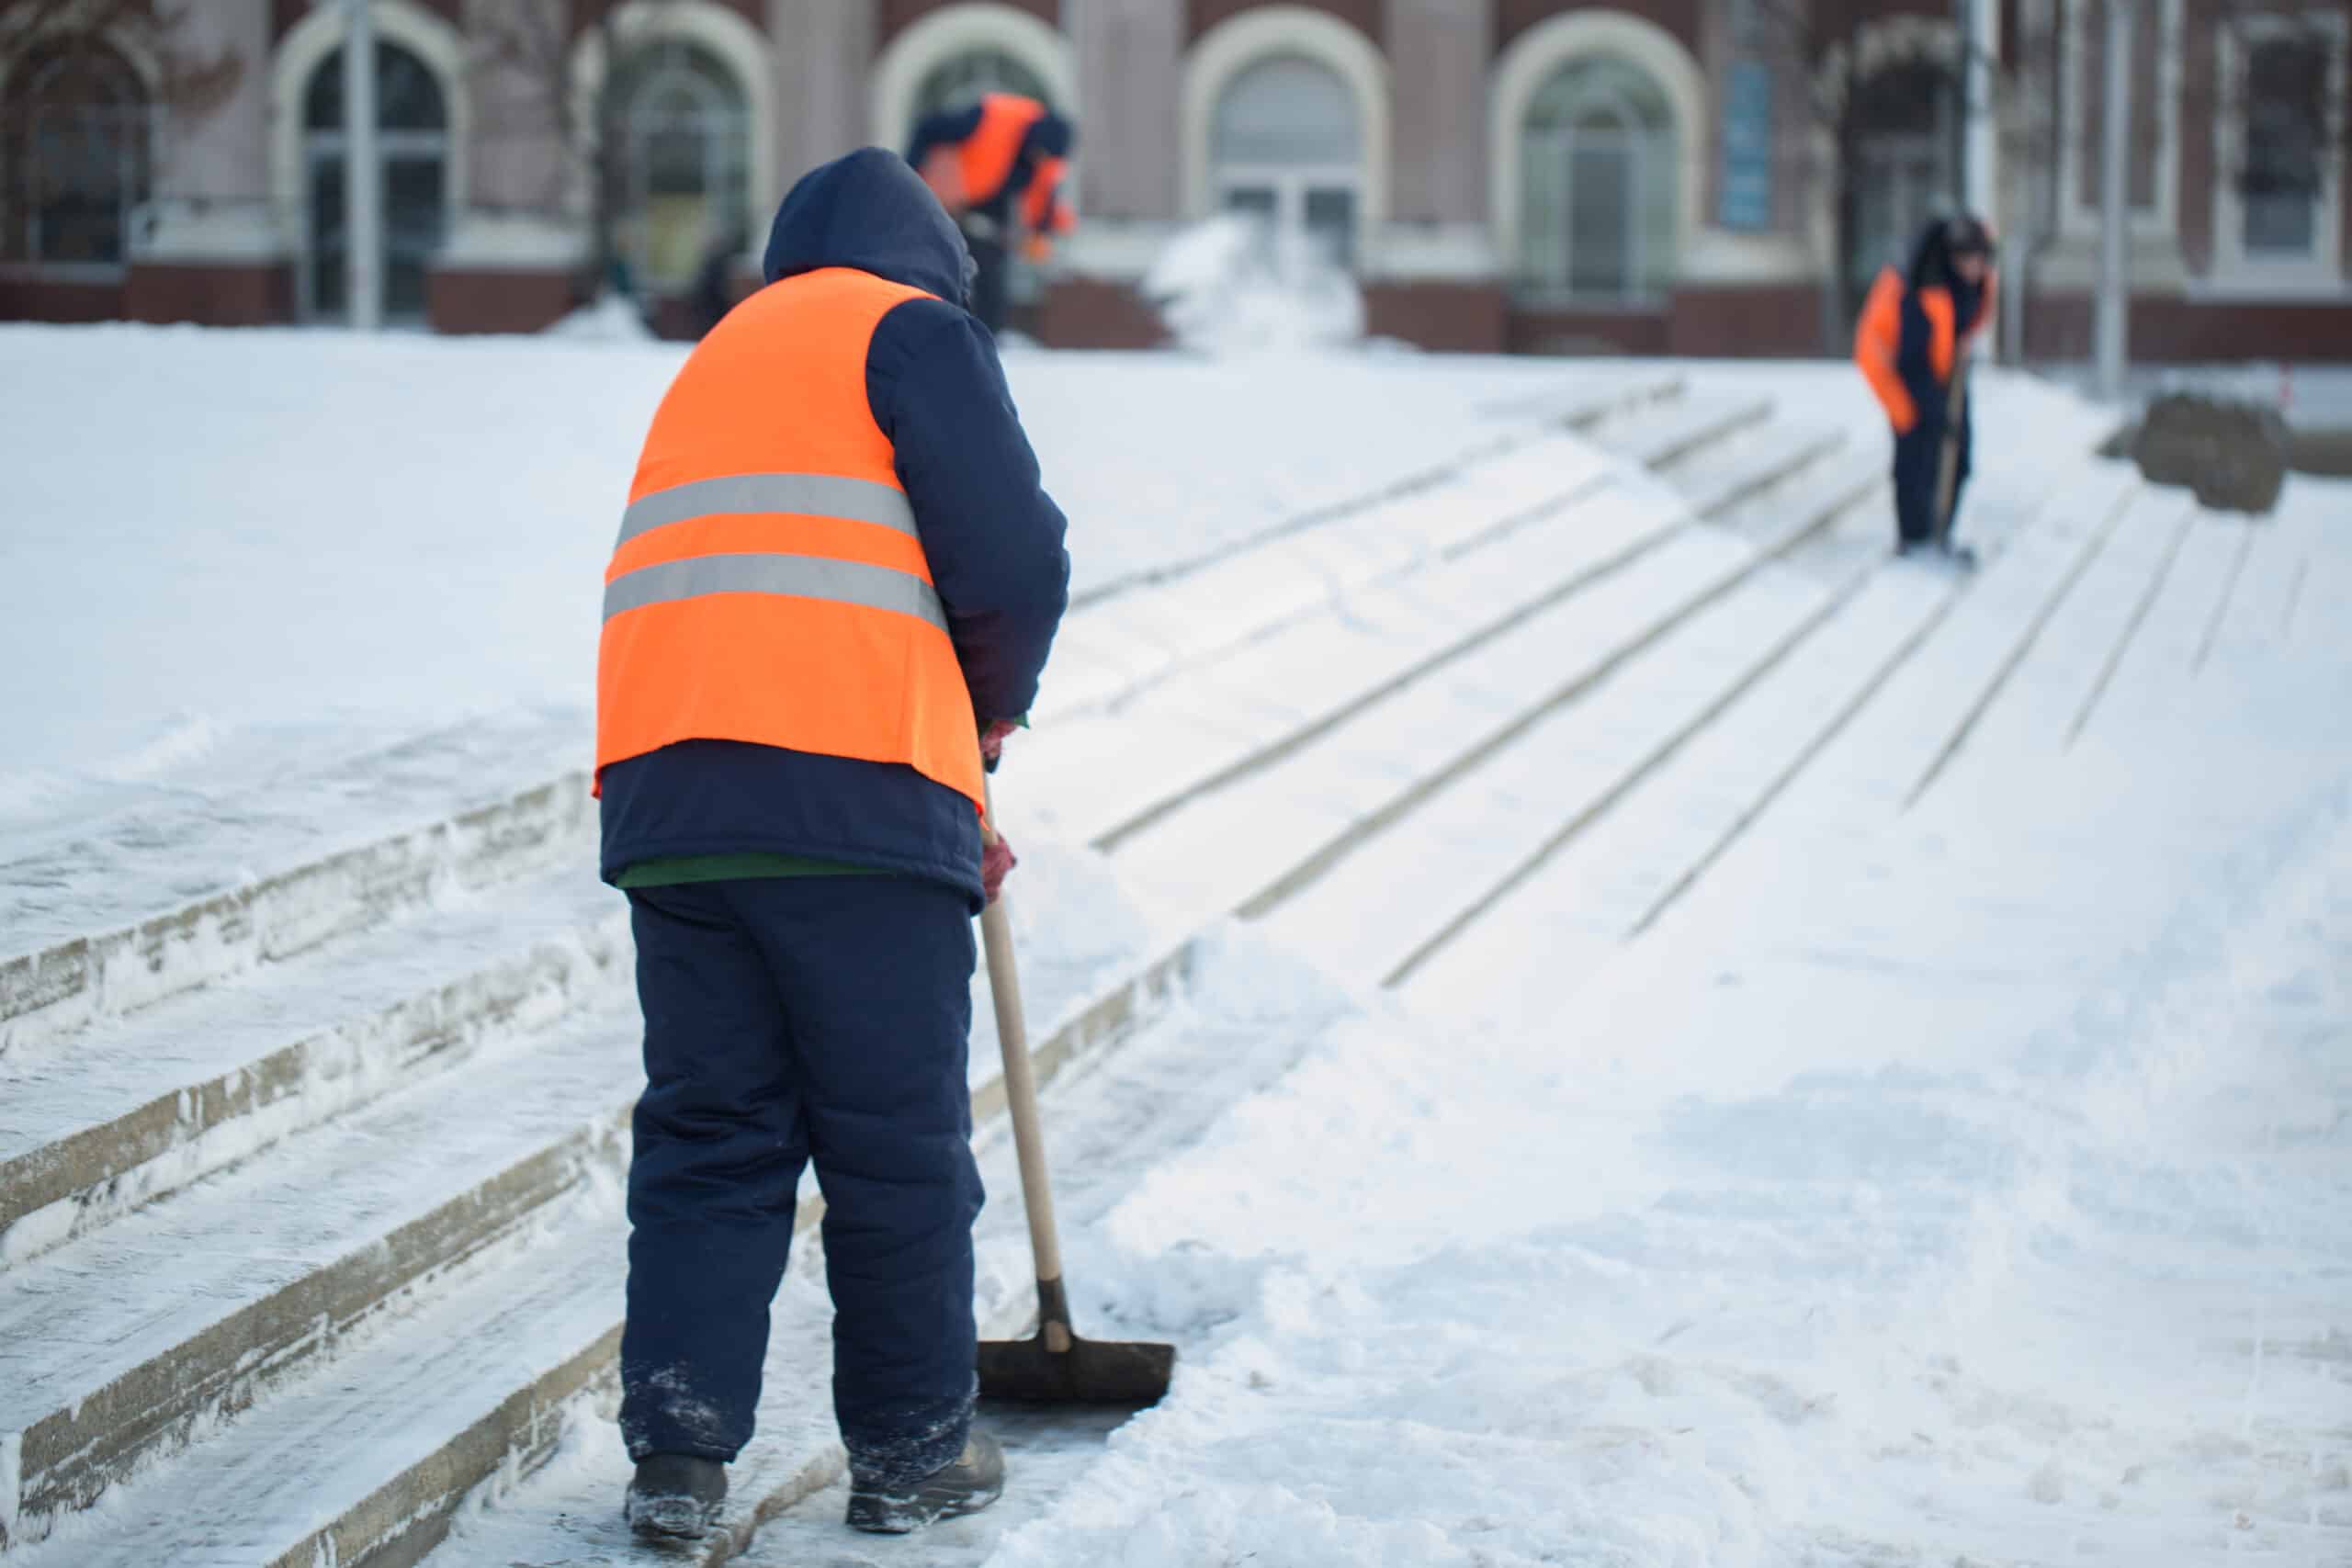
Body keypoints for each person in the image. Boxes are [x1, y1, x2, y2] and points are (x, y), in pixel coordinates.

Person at [594, 147, 1069, 1541]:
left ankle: (677, 1451)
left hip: (675, 804)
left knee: (710, 1135)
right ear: (935, 260)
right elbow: (1014, 561)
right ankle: (914, 1447)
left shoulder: (719, 355)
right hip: (859, 795)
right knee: (893, 1142)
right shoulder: (913, 331)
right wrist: (980, 728)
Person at [1855, 213, 1998, 564]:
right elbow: (1911, 358)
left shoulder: (1977, 282)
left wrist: (1961, 344)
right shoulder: (1920, 282)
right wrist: (1932, 412)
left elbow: (1970, 318)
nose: (1976, 269)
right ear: (1953, 257)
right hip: (1894, 369)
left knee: (1958, 454)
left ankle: (1940, 531)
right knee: (1916, 449)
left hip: (1944, 371)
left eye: (1982, 261)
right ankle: (1914, 537)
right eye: (1969, 260)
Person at [906, 93, 1076, 336]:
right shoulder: (986, 118)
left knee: (991, 279)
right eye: (1038, 154)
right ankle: (941, 332)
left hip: (993, 210)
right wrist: (910, 177)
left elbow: (1043, 194)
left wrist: (1041, 233)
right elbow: (928, 128)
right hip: (952, 203)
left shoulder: (1048, 156)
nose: (1039, 160)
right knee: (948, 273)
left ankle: (989, 339)